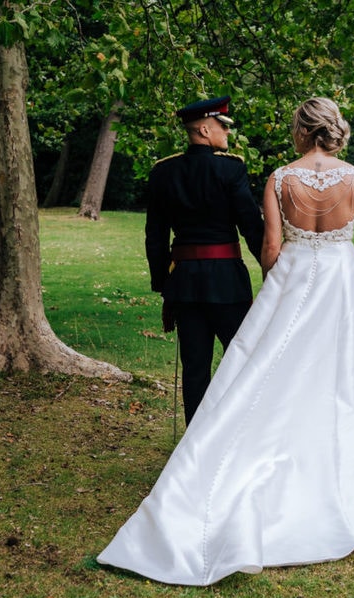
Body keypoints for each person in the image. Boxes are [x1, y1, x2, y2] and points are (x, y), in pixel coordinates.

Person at [97, 97, 354, 586]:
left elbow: (264, 244)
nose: (225, 131)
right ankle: (325, 463)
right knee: (319, 371)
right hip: (309, 283)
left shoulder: (269, 177)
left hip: (247, 278)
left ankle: (205, 450)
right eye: (220, 125)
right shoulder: (353, 178)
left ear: (302, 131)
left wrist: (266, 287)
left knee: (243, 371)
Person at [144, 95, 265, 426]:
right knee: (241, 360)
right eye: (222, 127)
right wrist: (272, 272)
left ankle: (195, 447)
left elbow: (155, 238)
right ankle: (237, 434)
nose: (227, 133)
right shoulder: (231, 168)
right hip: (228, 282)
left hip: (184, 285)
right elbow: (252, 229)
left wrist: (163, 285)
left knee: (195, 368)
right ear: (203, 129)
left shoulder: (163, 172)